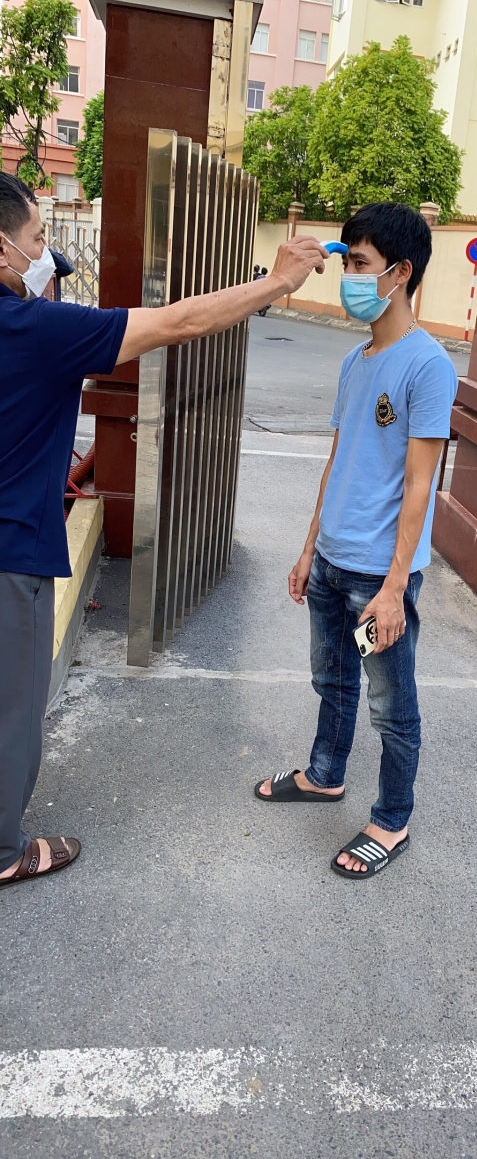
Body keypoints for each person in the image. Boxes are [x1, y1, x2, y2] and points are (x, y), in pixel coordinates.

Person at [0, 172, 327, 889]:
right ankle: (3, 852)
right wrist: (276, 283)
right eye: (37, 238)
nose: (46, 252)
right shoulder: (33, 328)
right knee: (12, 711)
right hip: (9, 554)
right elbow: (178, 322)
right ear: (2, 249)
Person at [255, 202, 458, 880]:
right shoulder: (355, 360)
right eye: (347, 263)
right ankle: (324, 775)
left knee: (390, 707)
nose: (350, 279)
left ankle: (392, 819)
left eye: (361, 264)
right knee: (331, 680)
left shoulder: (427, 366)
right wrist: (308, 548)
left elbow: (420, 485)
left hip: (377, 579)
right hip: (331, 564)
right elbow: (339, 459)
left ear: (400, 273)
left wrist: (395, 587)